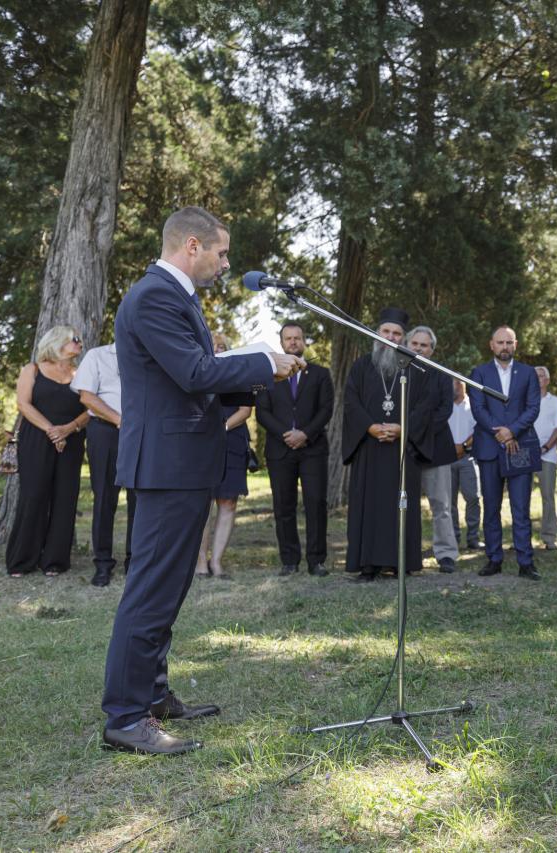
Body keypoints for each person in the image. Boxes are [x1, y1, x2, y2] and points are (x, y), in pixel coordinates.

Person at [102, 206, 302, 755]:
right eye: (221, 252)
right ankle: (125, 717)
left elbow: (190, 379)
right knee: (151, 590)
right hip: (166, 465)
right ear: (192, 245)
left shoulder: (177, 297)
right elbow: (193, 373)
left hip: (182, 462)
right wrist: (264, 364)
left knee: (170, 586)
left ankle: (153, 695)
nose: (226, 262)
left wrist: (254, 372)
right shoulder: (155, 296)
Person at [342, 308, 432, 582]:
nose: (390, 337)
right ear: (377, 333)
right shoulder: (361, 366)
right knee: (369, 506)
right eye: (386, 331)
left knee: (399, 506)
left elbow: (425, 407)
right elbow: (351, 402)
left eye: (396, 333)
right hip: (369, 449)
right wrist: (369, 427)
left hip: (401, 450)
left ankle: (399, 562)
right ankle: (367, 565)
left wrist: (403, 428)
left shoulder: (416, 369)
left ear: (403, 338)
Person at [6, 325, 89, 577]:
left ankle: (55, 561)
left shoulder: (80, 374)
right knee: (33, 496)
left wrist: (69, 429)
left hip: (72, 440)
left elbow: (90, 409)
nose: (79, 343)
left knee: (65, 498)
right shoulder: (32, 369)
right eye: (74, 339)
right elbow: (23, 404)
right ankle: (21, 560)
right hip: (37, 439)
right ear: (58, 341)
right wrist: (53, 431)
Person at [255, 321, 333, 577]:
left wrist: (305, 433)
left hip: (313, 449)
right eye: (288, 338)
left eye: (297, 337)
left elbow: (326, 409)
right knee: (283, 505)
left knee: (316, 504)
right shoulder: (268, 375)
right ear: (281, 343)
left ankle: (316, 561)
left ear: (304, 341)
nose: (293, 342)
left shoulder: (321, 374)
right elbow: (262, 412)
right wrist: (286, 434)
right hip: (280, 450)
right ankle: (289, 560)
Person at [468, 326, 542, 580]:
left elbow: (533, 408)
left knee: (521, 508)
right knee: (491, 507)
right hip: (489, 447)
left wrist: (512, 431)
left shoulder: (528, 373)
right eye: (500, 342)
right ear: (492, 345)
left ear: (515, 344)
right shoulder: (479, 373)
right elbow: (478, 408)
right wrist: (499, 431)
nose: (504, 347)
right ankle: (494, 559)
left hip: (519, 445)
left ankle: (526, 562)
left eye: (509, 342)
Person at [72, 340, 134, 587]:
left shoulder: (147, 355)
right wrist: (119, 420)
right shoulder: (97, 356)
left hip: (140, 434)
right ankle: (103, 564)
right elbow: (87, 397)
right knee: (105, 498)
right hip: (105, 432)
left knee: (139, 498)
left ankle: (135, 561)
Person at [194, 332, 253, 579]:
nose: (218, 349)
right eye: (213, 346)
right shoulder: (196, 372)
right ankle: (200, 562)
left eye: (222, 346)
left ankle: (217, 562)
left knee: (228, 502)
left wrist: (223, 427)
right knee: (203, 504)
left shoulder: (239, 375)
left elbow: (246, 410)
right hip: (201, 444)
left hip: (233, 441)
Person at [407, 326, 460, 573]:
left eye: (424, 345)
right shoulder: (397, 372)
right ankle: (407, 553)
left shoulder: (441, 375)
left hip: (436, 448)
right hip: (404, 449)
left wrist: (415, 432)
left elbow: (445, 410)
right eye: (415, 344)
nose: (419, 348)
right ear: (407, 345)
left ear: (432, 349)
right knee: (405, 505)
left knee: (441, 505)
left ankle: (446, 553)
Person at [533, 366, 557, 551]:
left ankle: (549, 538)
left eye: (540, 376)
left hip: (547, 456)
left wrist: (545, 447)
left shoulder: (555, 402)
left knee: (547, 497)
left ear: (547, 380)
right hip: (525, 456)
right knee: (520, 498)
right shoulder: (524, 400)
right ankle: (520, 538)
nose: (537, 379)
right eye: (534, 376)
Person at [448, 379, 481, 552]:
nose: (451, 387)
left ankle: (473, 538)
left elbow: (479, 430)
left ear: (462, 385)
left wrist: (464, 445)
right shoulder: (445, 406)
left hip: (468, 457)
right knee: (449, 501)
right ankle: (453, 538)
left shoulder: (474, 406)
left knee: (473, 497)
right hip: (447, 458)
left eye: (454, 384)